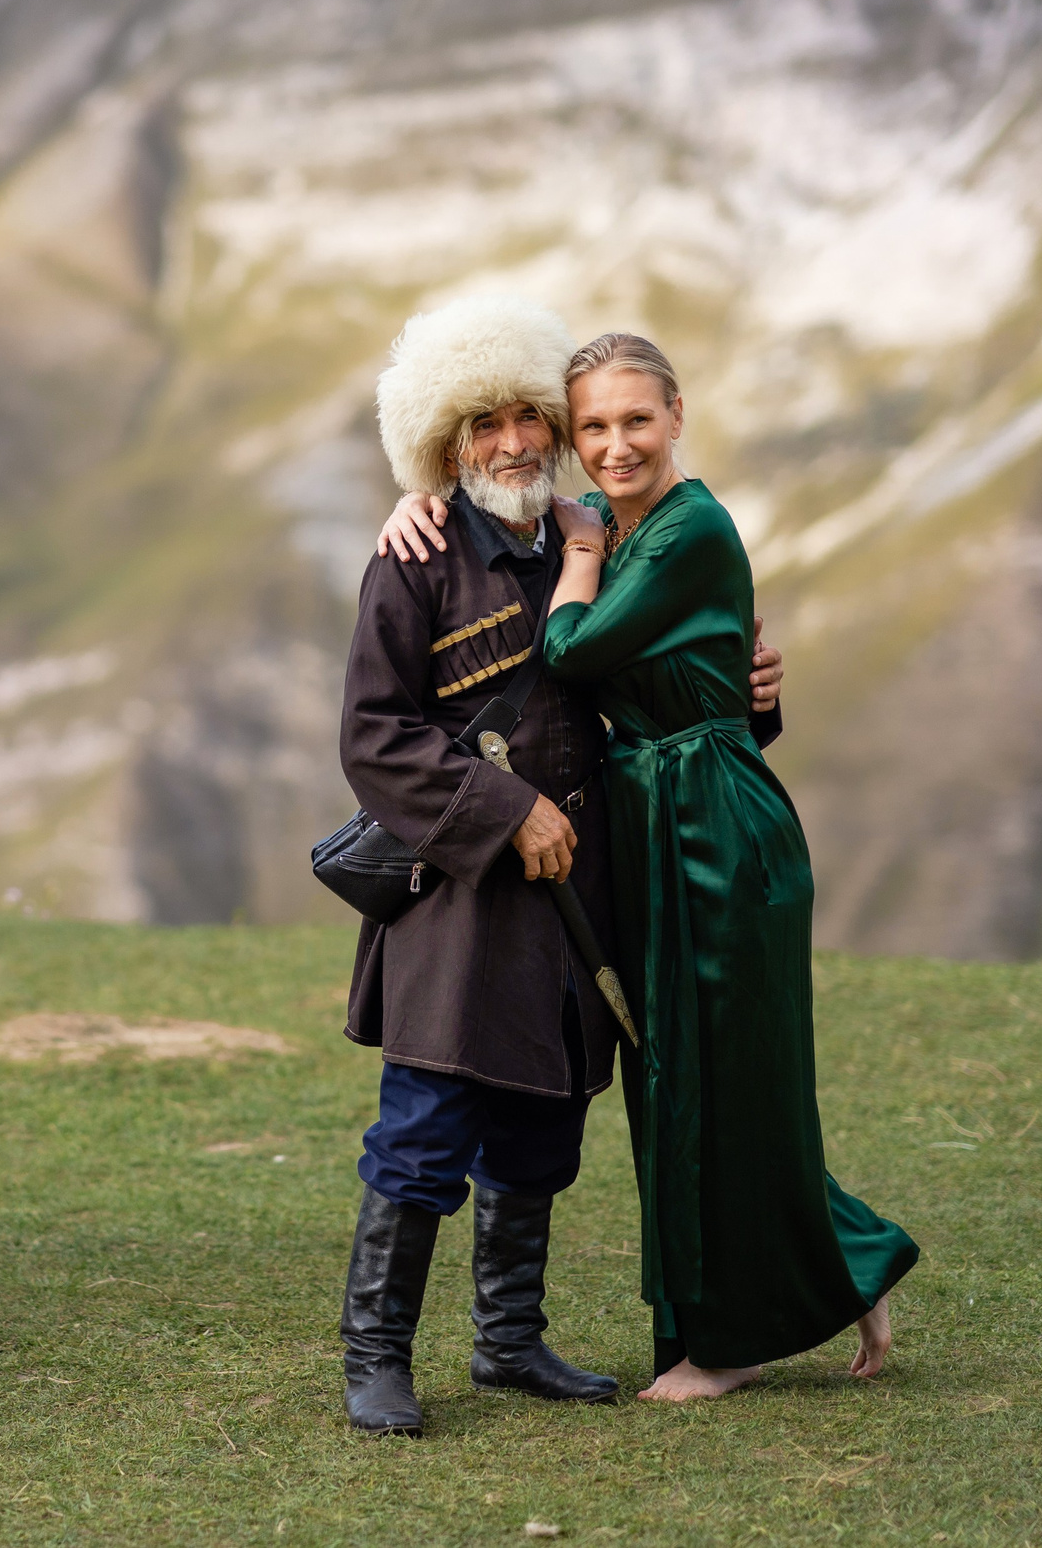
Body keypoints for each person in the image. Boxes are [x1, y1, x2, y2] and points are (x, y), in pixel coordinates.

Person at [334, 296, 781, 1437]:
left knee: (541, 1128)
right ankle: (375, 1356)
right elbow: (375, 737)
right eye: (483, 423)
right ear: (445, 440)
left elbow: (664, 694)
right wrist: (505, 808)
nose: (514, 442)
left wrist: (753, 698)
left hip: (580, 900)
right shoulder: (416, 556)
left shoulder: (602, 545)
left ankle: (508, 1341)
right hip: (457, 902)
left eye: (532, 416)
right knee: (426, 1131)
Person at [538, 332, 917, 1401]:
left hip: (710, 826)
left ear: (676, 415)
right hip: (661, 818)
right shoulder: (632, 528)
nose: (615, 445)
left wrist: (574, 560)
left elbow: (570, 654)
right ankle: (845, 1264)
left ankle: (727, 1345)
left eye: (634, 420)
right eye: (593, 428)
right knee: (688, 1080)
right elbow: (701, 670)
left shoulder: (680, 529)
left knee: (711, 1077)